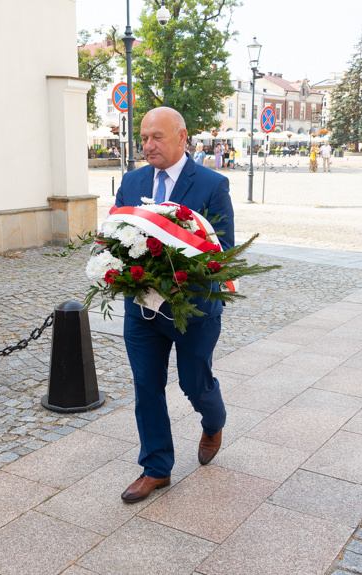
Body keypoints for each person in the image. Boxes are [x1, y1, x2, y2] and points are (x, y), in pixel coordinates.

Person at [114, 106, 234, 503]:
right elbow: (115, 237)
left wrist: (179, 267)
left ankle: (214, 421)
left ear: (182, 137)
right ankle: (156, 468)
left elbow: (224, 252)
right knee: (146, 386)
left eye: (157, 137)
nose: (148, 146)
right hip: (142, 310)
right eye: (144, 138)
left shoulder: (212, 184)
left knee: (193, 383)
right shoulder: (131, 183)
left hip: (192, 310)